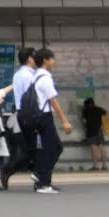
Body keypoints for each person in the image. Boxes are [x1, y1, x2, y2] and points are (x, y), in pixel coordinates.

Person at [31, 48, 73, 194]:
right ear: (45, 60)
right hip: (44, 117)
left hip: (39, 116)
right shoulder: (45, 78)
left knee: (53, 148)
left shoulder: (36, 76)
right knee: (53, 148)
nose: (53, 62)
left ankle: (41, 177)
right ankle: (42, 181)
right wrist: (65, 121)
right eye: (52, 59)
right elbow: (53, 101)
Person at [0, 46, 37, 190]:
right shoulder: (28, 75)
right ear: (29, 59)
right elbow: (31, 97)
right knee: (30, 150)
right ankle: (9, 170)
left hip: (23, 115)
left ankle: (39, 176)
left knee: (30, 150)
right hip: (29, 115)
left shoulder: (18, 74)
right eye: (34, 56)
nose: (36, 59)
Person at [82, 97, 108, 171]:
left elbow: (84, 120)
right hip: (99, 129)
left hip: (91, 130)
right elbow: (106, 113)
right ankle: (104, 165)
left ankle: (96, 166)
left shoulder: (85, 110)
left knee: (93, 147)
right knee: (101, 147)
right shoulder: (99, 109)